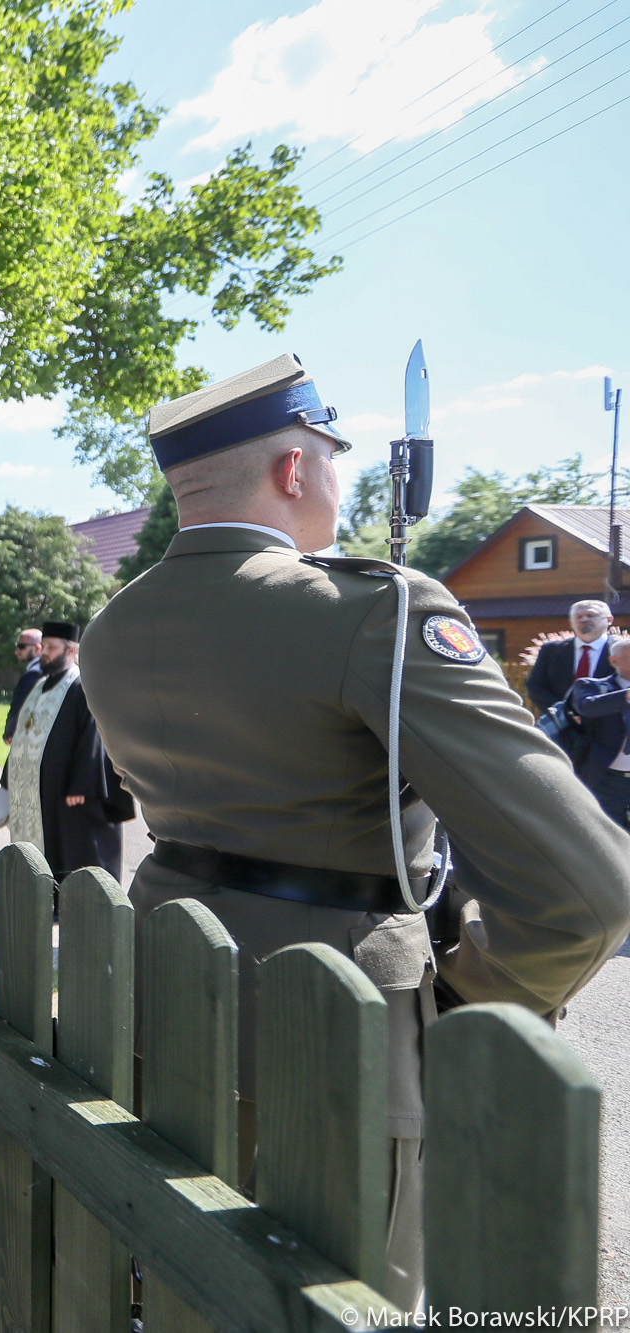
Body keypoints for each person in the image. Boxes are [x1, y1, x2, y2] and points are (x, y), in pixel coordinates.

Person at [80, 352, 630, 1309]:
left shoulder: (112, 628)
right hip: (342, 1042)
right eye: (330, 457)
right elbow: (590, 890)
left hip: (163, 1007)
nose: (338, 480)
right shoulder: (377, 609)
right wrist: (461, 989)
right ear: (295, 469)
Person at [0, 621, 134, 878]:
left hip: (71, 790)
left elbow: (94, 736)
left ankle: (74, 900)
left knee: (73, 847)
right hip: (42, 789)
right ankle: (43, 893)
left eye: (51, 647)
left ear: (71, 651)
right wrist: (10, 775)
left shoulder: (82, 685)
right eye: (44, 647)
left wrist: (82, 784)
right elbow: (24, 736)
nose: (44, 652)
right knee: (48, 841)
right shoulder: (40, 686)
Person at [568, 638, 630, 829]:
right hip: (607, 780)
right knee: (609, 833)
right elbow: (587, 707)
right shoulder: (591, 686)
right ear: (613, 661)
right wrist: (626, 695)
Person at [525, 598, 617, 713]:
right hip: (563, 724)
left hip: (611, 724)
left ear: (609, 620)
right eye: (578, 617)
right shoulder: (551, 650)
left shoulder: (623, 651)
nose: (584, 619)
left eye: (590, 615)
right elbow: (535, 686)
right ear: (571, 623)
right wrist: (563, 712)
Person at [2, 628, 43, 743]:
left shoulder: (32, 675)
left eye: (21, 647)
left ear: (37, 648)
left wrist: (10, 732)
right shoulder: (46, 672)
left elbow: (19, 706)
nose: (17, 651)